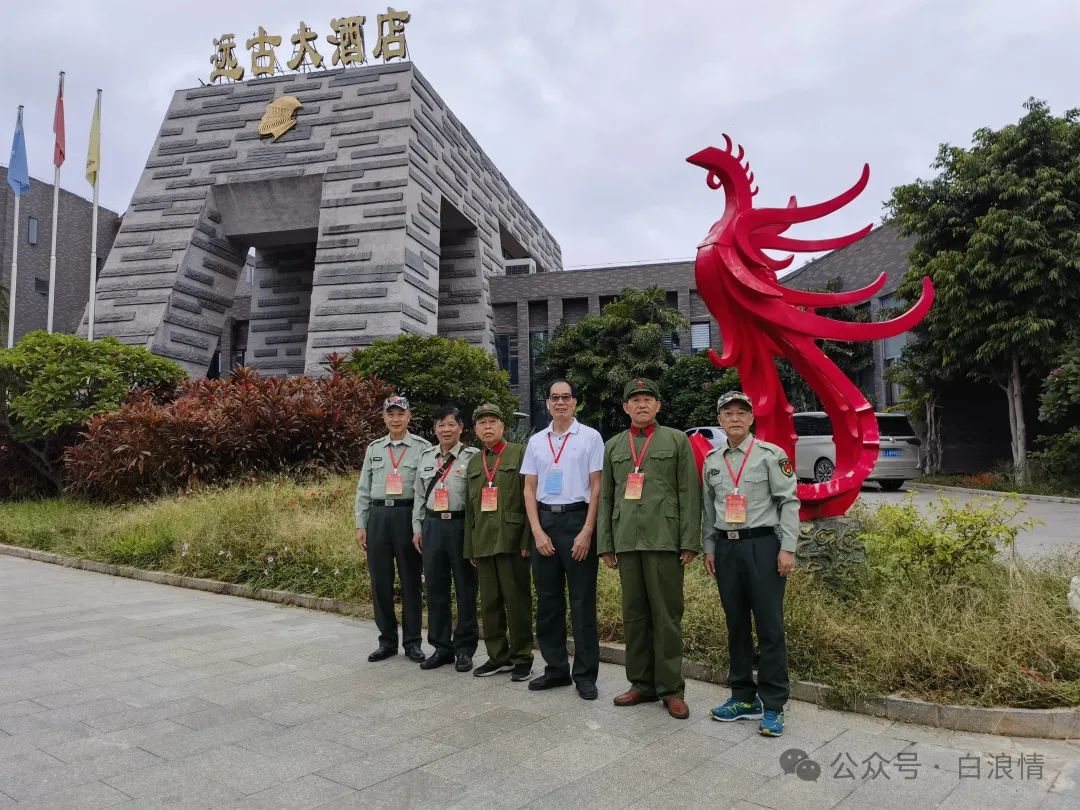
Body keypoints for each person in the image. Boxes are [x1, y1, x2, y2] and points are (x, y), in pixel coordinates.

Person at [597, 378, 701, 719]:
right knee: (635, 615)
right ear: (625, 408)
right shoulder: (613, 445)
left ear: (658, 406)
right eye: (635, 400)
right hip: (626, 540)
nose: (641, 405)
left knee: (667, 616)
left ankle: (671, 689)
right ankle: (641, 683)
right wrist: (606, 544)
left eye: (648, 399)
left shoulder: (676, 439)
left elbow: (689, 492)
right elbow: (607, 497)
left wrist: (689, 540)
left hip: (665, 539)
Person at [703, 391, 799, 737]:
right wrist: (709, 547)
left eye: (742, 412)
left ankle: (773, 704)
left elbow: (789, 502)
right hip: (727, 550)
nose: (735, 418)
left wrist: (787, 548)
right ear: (720, 420)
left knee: (770, 627)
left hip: (763, 547)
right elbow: (709, 508)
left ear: (751, 418)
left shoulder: (771, 455)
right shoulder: (713, 460)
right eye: (727, 412)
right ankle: (743, 697)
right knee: (736, 625)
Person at [521, 380, 604, 700]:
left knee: (582, 602)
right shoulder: (537, 441)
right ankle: (556, 669)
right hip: (545, 522)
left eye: (565, 397)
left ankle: (585, 674)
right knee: (548, 601)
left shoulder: (590, 437)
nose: (560, 403)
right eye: (554, 398)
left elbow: (597, 487)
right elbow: (529, 489)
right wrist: (537, 531)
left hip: (577, 520)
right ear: (546, 404)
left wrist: (587, 530)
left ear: (575, 402)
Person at [354, 395, 431, 663]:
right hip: (378, 517)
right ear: (384, 418)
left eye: (401, 414)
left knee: (411, 581)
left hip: (406, 516)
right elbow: (363, 489)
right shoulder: (374, 448)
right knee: (380, 582)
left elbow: (425, 490)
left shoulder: (423, 447)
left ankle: (412, 643)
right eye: (391, 414)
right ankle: (387, 641)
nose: (396, 419)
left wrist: (419, 525)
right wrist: (360, 524)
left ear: (409, 417)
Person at [464, 402, 534, 681]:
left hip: (513, 541)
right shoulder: (473, 462)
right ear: (475, 430)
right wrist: (469, 547)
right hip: (483, 541)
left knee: (517, 601)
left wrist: (528, 538)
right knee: (490, 603)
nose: (488, 426)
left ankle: (522, 657)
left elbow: (531, 499)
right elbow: (470, 508)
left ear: (503, 426)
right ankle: (498, 656)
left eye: (493, 421)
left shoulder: (519, 454)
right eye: (482, 423)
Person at [412, 405, 480, 672]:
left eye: (451, 424)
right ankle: (441, 647)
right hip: (432, 527)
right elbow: (419, 495)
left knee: (466, 589)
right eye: (441, 425)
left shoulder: (471, 456)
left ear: (461, 427)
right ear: (435, 429)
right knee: (436, 589)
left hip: (461, 527)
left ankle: (464, 648)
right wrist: (417, 528)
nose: (446, 429)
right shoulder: (427, 456)